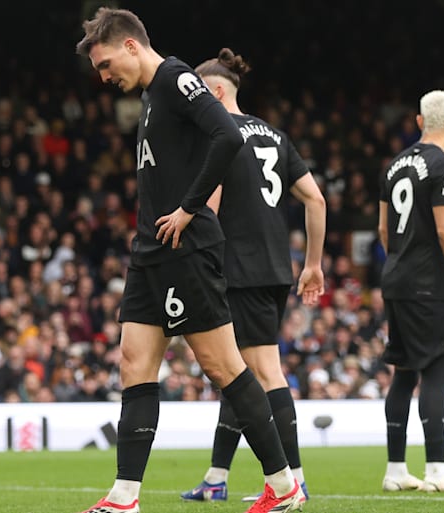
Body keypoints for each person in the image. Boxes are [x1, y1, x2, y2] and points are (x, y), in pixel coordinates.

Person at [75, 8, 303, 513]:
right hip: (150, 251)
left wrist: (189, 207)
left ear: (131, 46)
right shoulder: (152, 97)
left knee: (223, 365)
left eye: (107, 63)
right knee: (133, 362)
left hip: (186, 248)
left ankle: (284, 486)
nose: (105, 76)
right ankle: (124, 497)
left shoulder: (177, 79)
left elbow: (228, 135)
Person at [178, 49, 326, 504]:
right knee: (234, 371)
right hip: (274, 268)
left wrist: (197, 262)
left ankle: (293, 480)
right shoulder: (276, 136)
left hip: (236, 268)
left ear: (217, 91)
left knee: (263, 370)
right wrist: (313, 265)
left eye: (200, 94)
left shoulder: (218, 134)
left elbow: (212, 204)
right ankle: (217, 477)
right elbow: (316, 200)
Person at [377, 90, 444, 493]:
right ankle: (437, 470)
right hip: (427, 284)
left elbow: (385, 231)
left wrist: (401, 264)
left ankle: (395, 470)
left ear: (420, 122)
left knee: (403, 374)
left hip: (396, 278)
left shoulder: (394, 165)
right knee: (436, 371)